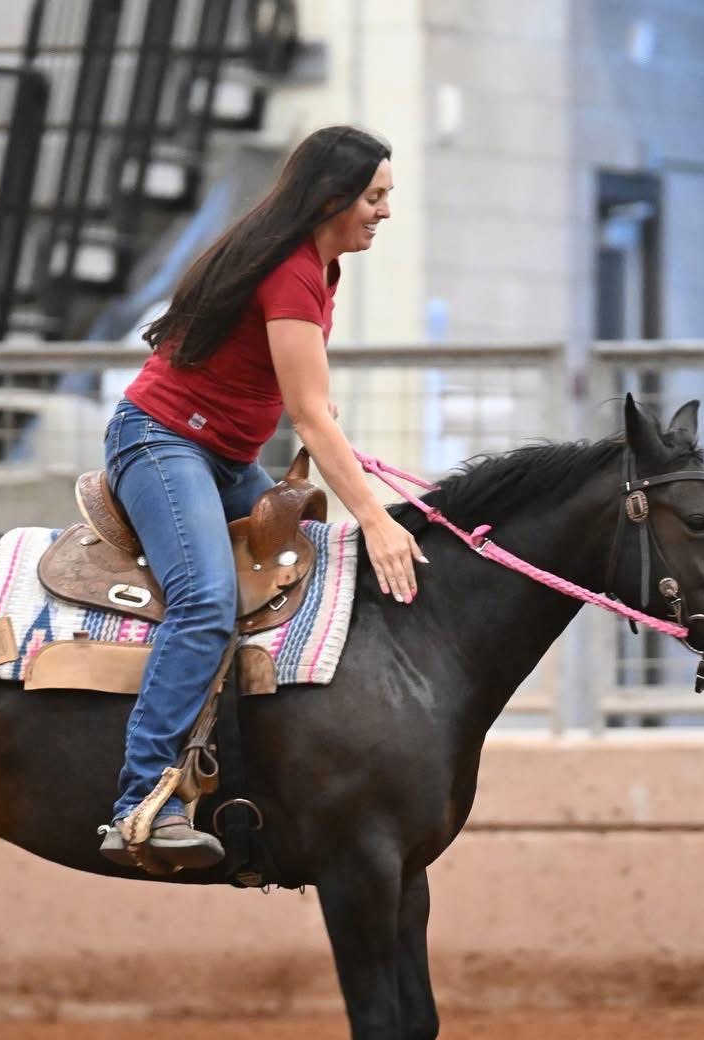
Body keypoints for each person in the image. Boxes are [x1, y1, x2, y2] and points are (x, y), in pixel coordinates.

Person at [98, 125, 426, 869]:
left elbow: (294, 392)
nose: (384, 211)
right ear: (333, 198)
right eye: (374, 197)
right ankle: (141, 801)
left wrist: (311, 412)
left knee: (304, 571)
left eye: (386, 197)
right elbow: (308, 414)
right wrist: (375, 519)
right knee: (205, 599)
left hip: (222, 456)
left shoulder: (320, 268)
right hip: (161, 442)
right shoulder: (292, 271)